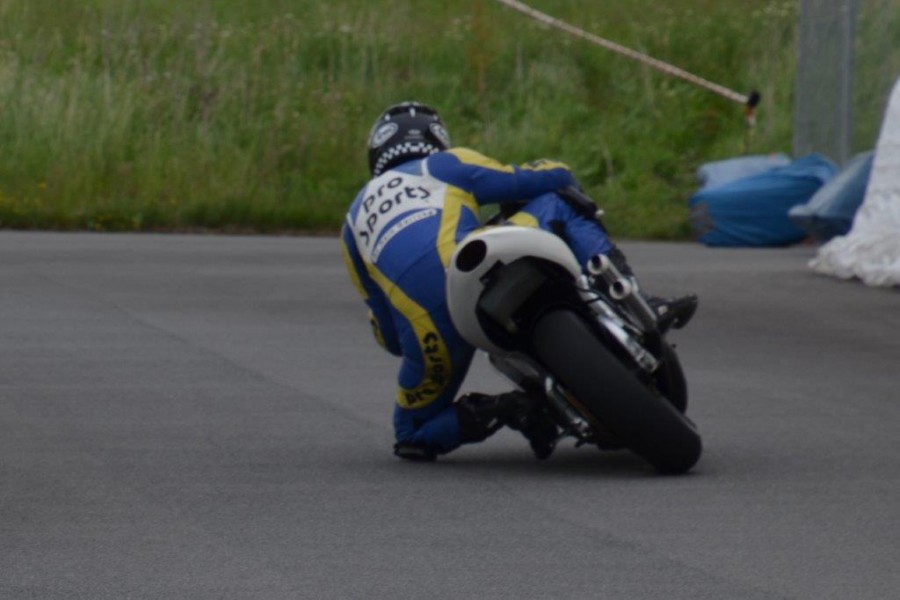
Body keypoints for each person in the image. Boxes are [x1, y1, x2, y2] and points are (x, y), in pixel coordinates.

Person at [340, 101, 696, 462]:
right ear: (436, 140)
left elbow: (388, 334)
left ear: (377, 152)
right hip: (472, 262)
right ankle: (635, 298)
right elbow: (540, 178)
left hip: (430, 331)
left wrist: (420, 345)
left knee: (410, 434)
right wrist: (558, 169)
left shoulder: (351, 226)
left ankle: (511, 409)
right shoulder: (442, 164)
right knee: (557, 200)